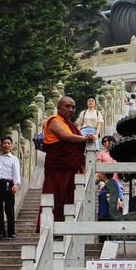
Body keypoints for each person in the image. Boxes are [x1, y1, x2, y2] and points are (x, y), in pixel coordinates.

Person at [41, 96, 97, 228]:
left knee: (68, 198)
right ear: (58, 107)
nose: (71, 109)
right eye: (67, 106)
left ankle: (66, 226)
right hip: (57, 167)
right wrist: (84, 139)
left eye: (73, 107)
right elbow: (64, 136)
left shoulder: (70, 125)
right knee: (55, 197)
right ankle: (51, 227)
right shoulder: (54, 120)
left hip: (70, 167)